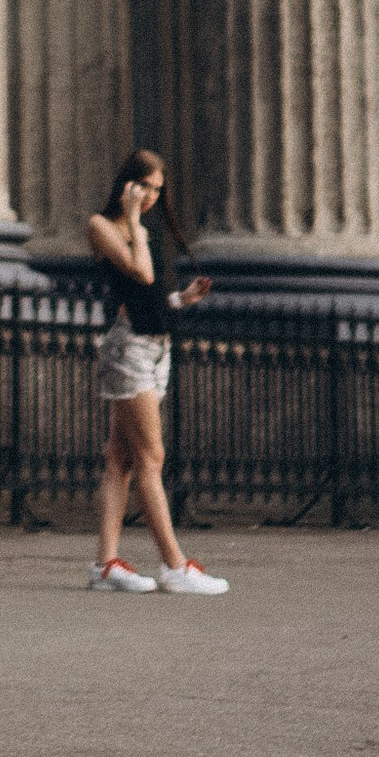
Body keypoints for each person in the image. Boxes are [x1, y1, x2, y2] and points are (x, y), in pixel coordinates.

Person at [85, 149, 228, 599]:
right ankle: (174, 564)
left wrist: (182, 300)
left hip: (152, 346)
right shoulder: (103, 226)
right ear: (126, 184)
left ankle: (105, 564)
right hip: (127, 349)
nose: (150, 195)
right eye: (144, 185)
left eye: (157, 189)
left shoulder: (137, 230)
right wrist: (132, 221)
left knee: (121, 459)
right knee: (151, 457)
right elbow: (140, 274)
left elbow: (147, 299)